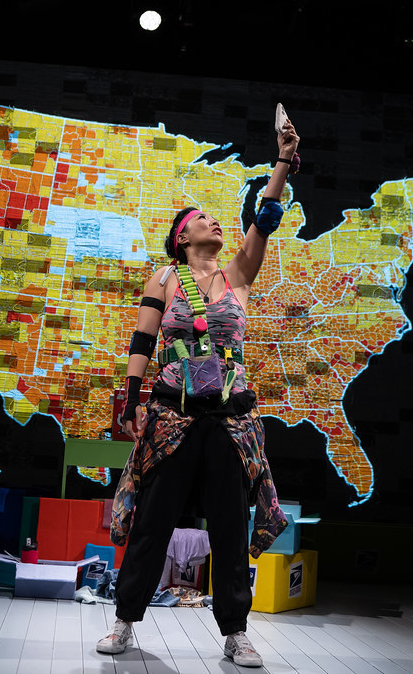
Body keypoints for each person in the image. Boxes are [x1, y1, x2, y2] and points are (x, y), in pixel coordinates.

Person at [96, 116, 300, 667]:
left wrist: (282, 160)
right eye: (203, 218)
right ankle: (124, 622)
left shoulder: (237, 275)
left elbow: (266, 218)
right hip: (172, 417)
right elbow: (142, 339)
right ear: (183, 236)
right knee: (152, 527)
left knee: (231, 532)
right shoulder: (164, 279)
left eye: (216, 218)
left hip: (229, 421)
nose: (216, 223)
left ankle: (236, 632)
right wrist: (133, 401)